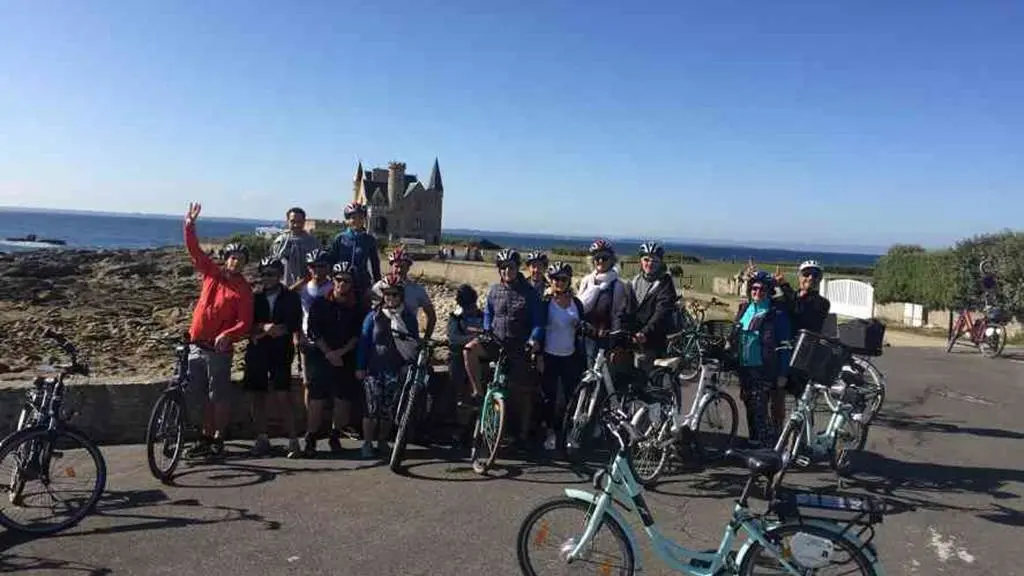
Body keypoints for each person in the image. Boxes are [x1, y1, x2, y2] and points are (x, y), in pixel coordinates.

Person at [182, 202, 254, 457]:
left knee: (218, 396)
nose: (235, 262)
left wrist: (228, 334)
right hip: (195, 343)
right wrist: (189, 225)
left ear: (245, 263)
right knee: (197, 395)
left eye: (240, 259)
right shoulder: (212, 274)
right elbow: (195, 252)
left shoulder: (243, 289)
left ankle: (218, 437)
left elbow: (245, 322)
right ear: (226, 259)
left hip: (219, 350)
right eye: (232, 257)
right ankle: (203, 435)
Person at [300, 262, 366, 457]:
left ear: (352, 283)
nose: (341, 284)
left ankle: (335, 435)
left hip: (346, 357)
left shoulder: (358, 307)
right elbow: (313, 330)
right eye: (338, 279)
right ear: (333, 280)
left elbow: (358, 335)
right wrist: (328, 352)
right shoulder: (320, 303)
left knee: (343, 400)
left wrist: (340, 353)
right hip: (320, 355)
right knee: (316, 399)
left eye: (346, 280)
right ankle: (311, 436)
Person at [480, 248, 544, 447]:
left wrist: (534, 340)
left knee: (522, 391)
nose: (507, 271)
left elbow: (538, 322)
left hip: (519, 345)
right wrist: (486, 329)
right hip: (498, 342)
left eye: (511, 267)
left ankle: (522, 434)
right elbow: (488, 313)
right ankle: (479, 402)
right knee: (471, 354)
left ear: (517, 268)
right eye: (503, 268)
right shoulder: (494, 290)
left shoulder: (530, 293)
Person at [356, 273, 420, 459]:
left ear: (401, 295)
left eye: (394, 294)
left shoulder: (408, 318)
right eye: (387, 294)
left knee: (388, 410)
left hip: (396, 369)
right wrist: (360, 366)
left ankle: (383, 441)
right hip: (374, 370)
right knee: (370, 410)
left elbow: (412, 344)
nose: (390, 298)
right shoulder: (373, 316)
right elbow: (364, 342)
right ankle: (367, 443)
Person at [243, 257, 303, 457]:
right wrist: (263, 328)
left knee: (282, 394)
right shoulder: (254, 295)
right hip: (257, 350)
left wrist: (282, 329)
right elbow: (245, 323)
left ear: (279, 275)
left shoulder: (291, 296)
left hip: (281, 350)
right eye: (264, 274)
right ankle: (262, 438)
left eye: (271, 274)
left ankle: (293, 440)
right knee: (257, 395)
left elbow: (295, 323)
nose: (267, 278)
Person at [730, 271, 792, 448]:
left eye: (763, 289)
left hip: (765, 367)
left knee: (762, 407)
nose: (757, 292)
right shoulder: (744, 309)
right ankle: (754, 439)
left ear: (769, 291)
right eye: (754, 288)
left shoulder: (777, 315)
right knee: (749, 402)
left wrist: (783, 373)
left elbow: (785, 346)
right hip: (744, 365)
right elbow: (735, 333)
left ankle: (769, 446)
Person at [773, 260, 831, 426]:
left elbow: (799, 310)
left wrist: (784, 286)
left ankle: (802, 440)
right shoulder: (791, 296)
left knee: (803, 403)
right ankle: (777, 433)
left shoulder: (821, 303)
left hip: (804, 358)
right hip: (785, 353)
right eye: (806, 274)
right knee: (777, 394)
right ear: (799, 277)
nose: (810, 278)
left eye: (815, 275)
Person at [537, 261, 585, 451]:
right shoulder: (546, 303)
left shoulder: (576, 304)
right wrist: (539, 355)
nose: (559, 282)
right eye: (555, 279)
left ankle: (568, 434)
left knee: (570, 398)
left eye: (563, 279)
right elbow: (539, 329)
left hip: (570, 356)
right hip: (549, 355)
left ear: (569, 281)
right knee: (549, 398)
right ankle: (550, 432)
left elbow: (582, 327)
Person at [628, 241, 678, 360]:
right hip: (633, 337)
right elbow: (628, 308)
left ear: (660, 262)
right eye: (646, 260)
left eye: (654, 261)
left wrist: (645, 332)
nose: (650, 264)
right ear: (640, 261)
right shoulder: (636, 280)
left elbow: (662, 311)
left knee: (648, 371)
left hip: (654, 338)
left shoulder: (665, 283)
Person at [293, 248, 334, 395]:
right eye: (312, 266)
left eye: (322, 266)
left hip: (330, 341)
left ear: (329, 267)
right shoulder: (302, 288)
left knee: (330, 384)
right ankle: (309, 417)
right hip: (306, 340)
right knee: (307, 383)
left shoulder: (334, 288)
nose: (317, 269)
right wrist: (296, 336)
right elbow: (295, 312)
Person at [372, 247, 436, 338]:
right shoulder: (379, 287)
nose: (399, 270)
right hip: (383, 335)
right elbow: (369, 312)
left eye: (402, 266)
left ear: (408, 268)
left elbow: (431, 315)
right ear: (391, 267)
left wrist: (426, 339)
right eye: (396, 266)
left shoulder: (417, 290)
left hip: (408, 336)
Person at [326, 202, 381, 305]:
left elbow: (375, 264)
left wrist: (377, 285)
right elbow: (331, 260)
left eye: (360, 217)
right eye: (353, 217)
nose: (357, 220)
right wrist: (331, 279)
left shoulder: (369, 240)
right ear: (348, 220)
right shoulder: (340, 238)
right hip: (342, 282)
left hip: (362, 283)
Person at [577, 239, 630, 340]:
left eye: (605, 258)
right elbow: (578, 307)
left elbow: (617, 314)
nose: (600, 261)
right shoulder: (586, 281)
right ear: (593, 261)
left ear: (612, 260)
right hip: (584, 334)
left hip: (605, 336)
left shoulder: (619, 285)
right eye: (597, 258)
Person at [447, 284, 484, 403]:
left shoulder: (480, 315)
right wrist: (474, 338)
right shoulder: (456, 317)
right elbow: (453, 338)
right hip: (458, 354)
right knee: (456, 378)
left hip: (477, 354)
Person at [269, 207, 322, 287]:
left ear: (304, 222)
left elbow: (318, 269)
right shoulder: (280, 242)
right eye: (292, 221)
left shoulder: (313, 243)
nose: (296, 225)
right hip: (283, 289)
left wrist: (298, 285)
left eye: (299, 222)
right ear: (287, 221)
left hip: (307, 288)